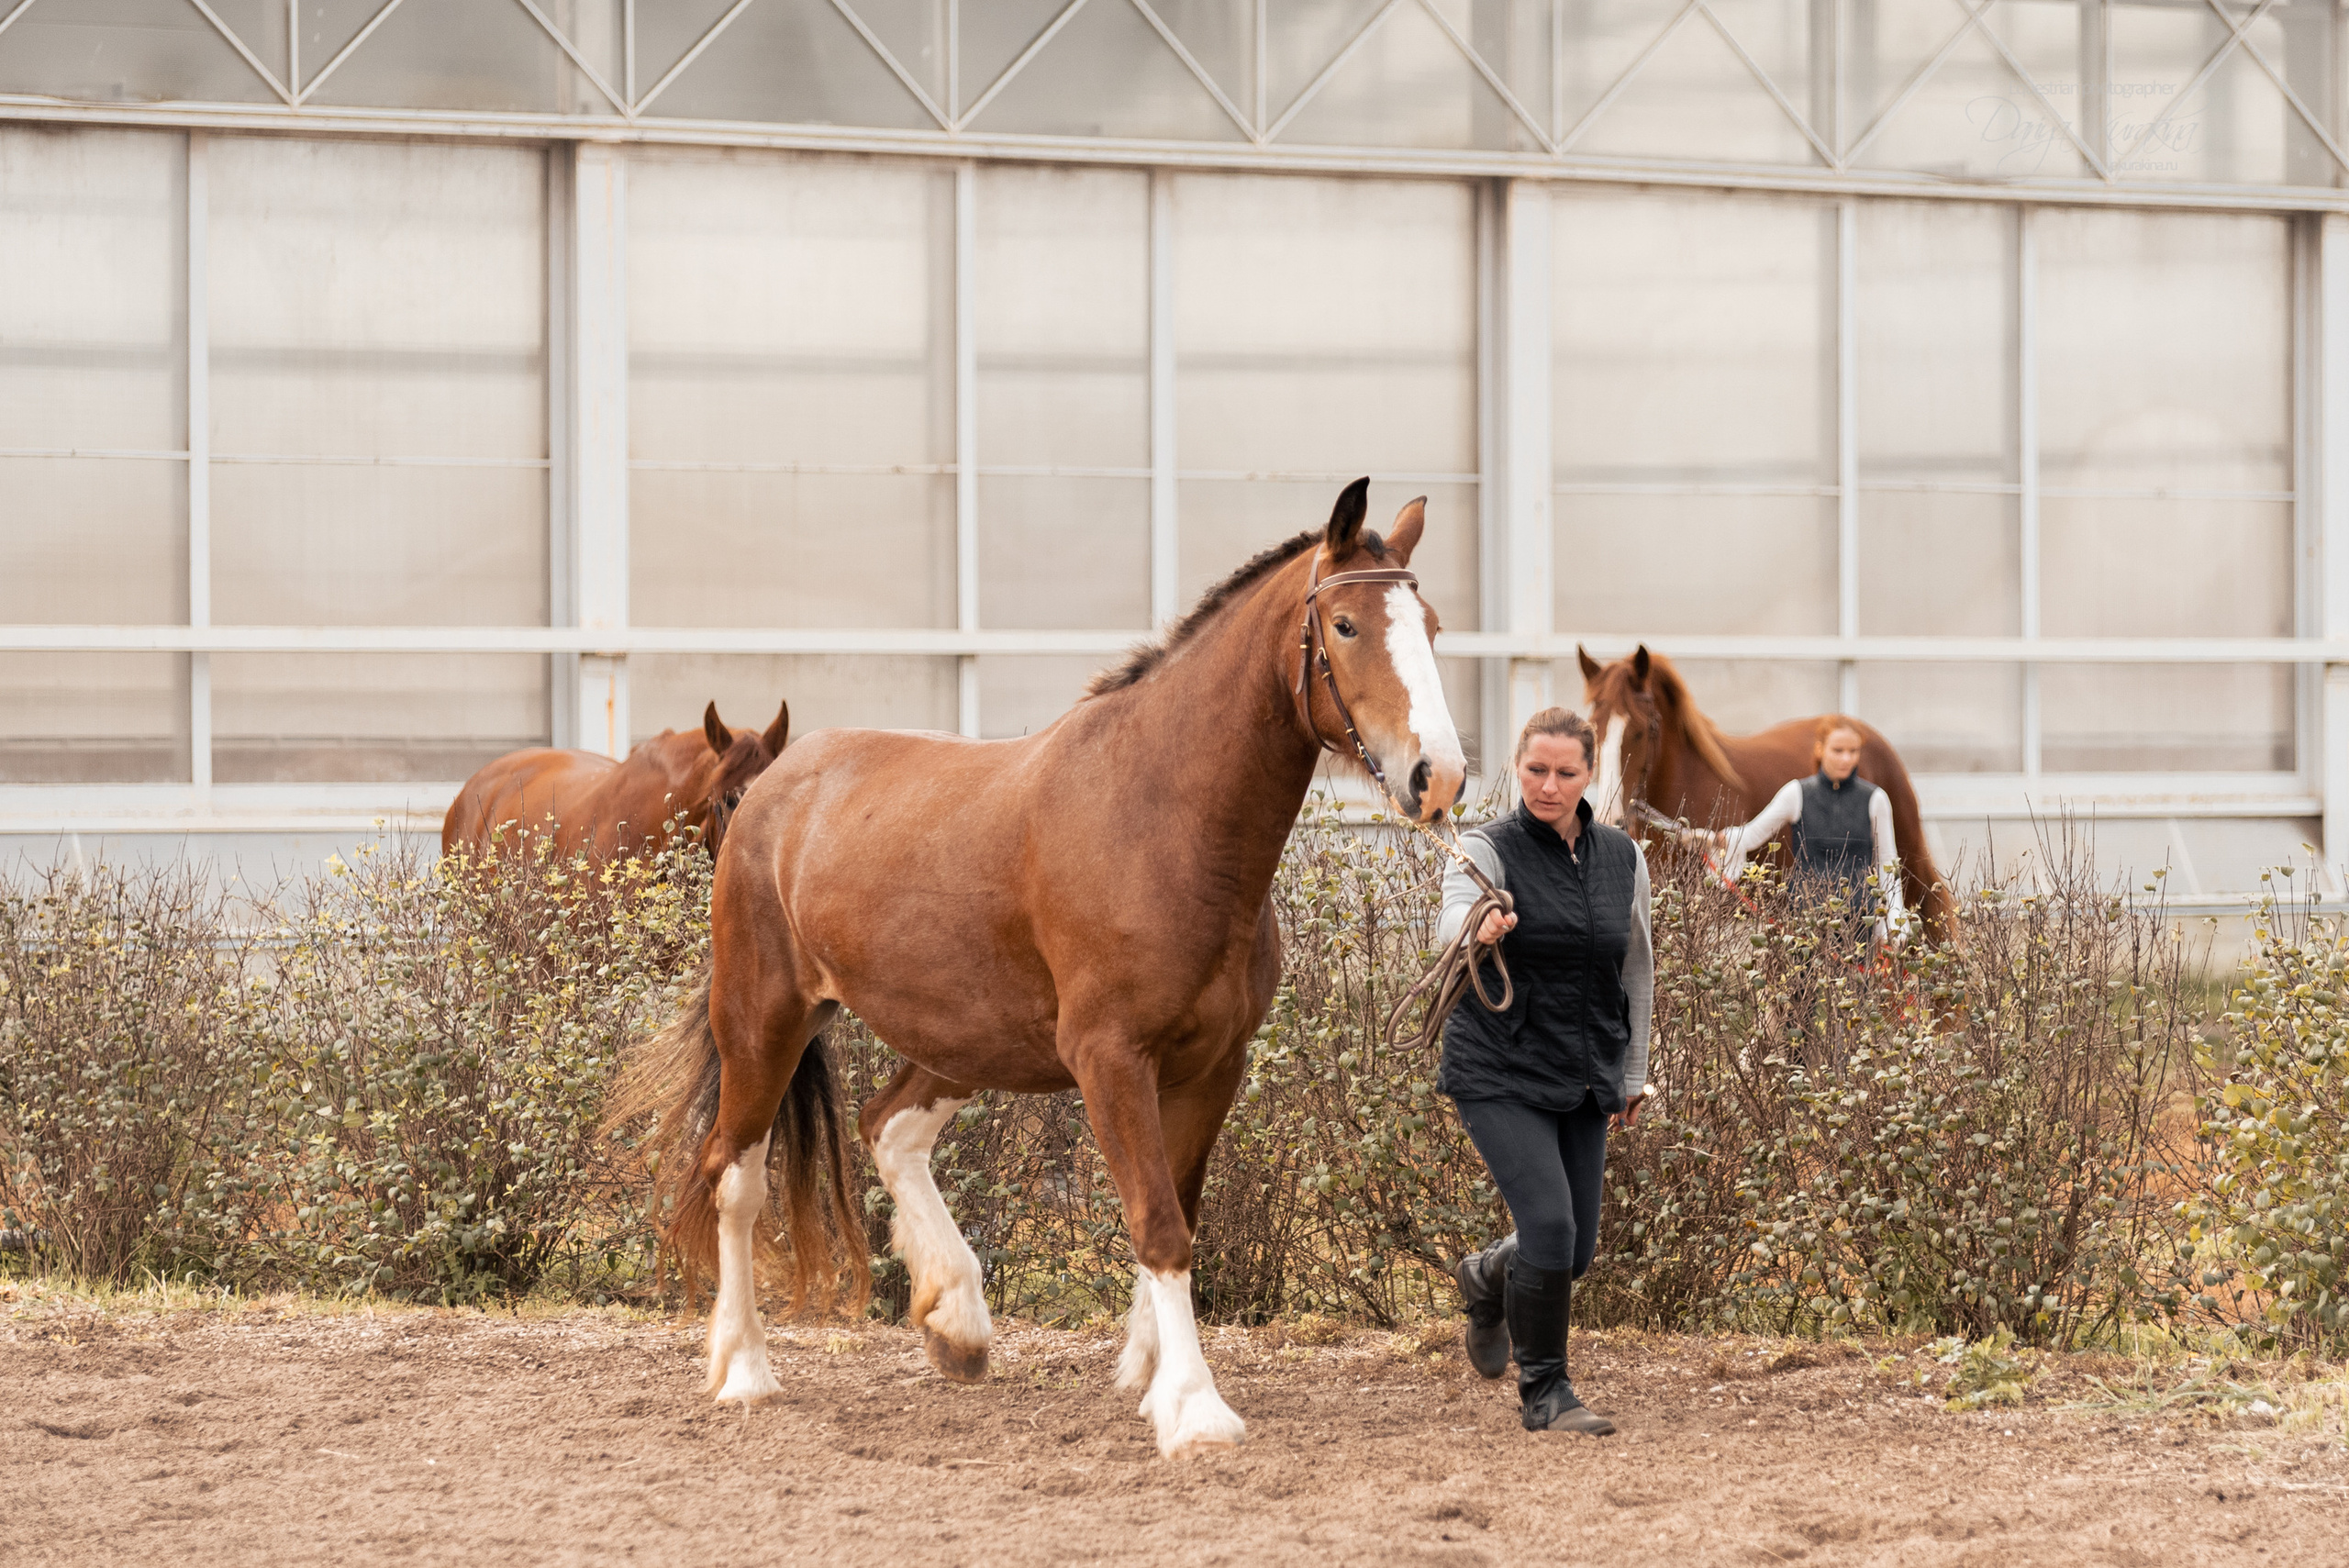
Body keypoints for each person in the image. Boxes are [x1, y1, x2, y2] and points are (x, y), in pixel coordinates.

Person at [1440, 707, 1653, 1437]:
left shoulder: (1623, 855)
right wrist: (1480, 927)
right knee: (1552, 1227)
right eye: (1535, 770)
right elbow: (1449, 917)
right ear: (1517, 766)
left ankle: (1486, 1276)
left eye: (1565, 772)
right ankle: (1546, 1392)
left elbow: (1637, 969)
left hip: (1585, 1067)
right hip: (1498, 1064)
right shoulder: (1486, 847)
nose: (1548, 785)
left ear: (1590, 774)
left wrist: (1632, 1071)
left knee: (1575, 1251)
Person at [1709, 715, 1908, 949]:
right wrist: (1710, 840)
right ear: (1820, 749)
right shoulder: (1796, 793)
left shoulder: (1876, 799)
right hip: (1805, 924)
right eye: (1838, 750)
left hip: (1858, 925)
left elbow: (1887, 861)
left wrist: (1895, 918)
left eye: (1853, 751)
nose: (1846, 758)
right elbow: (1751, 835)